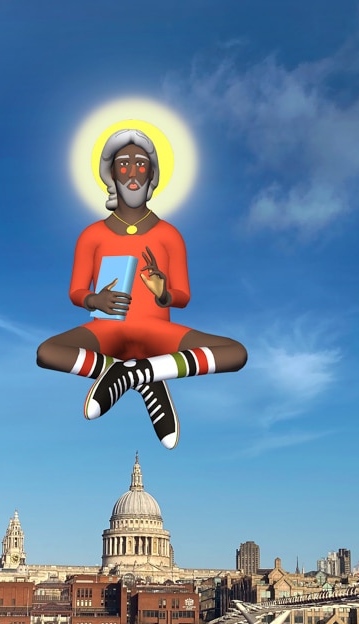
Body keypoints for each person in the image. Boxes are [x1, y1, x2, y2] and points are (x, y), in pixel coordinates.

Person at [36, 127, 246, 449]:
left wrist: (163, 293)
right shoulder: (92, 235)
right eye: (124, 165)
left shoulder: (169, 235)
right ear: (111, 174)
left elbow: (183, 296)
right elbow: (76, 291)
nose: (132, 174)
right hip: (106, 330)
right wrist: (94, 299)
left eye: (141, 164)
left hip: (157, 331)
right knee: (47, 352)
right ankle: (138, 374)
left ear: (152, 174)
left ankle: (136, 373)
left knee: (235, 353)